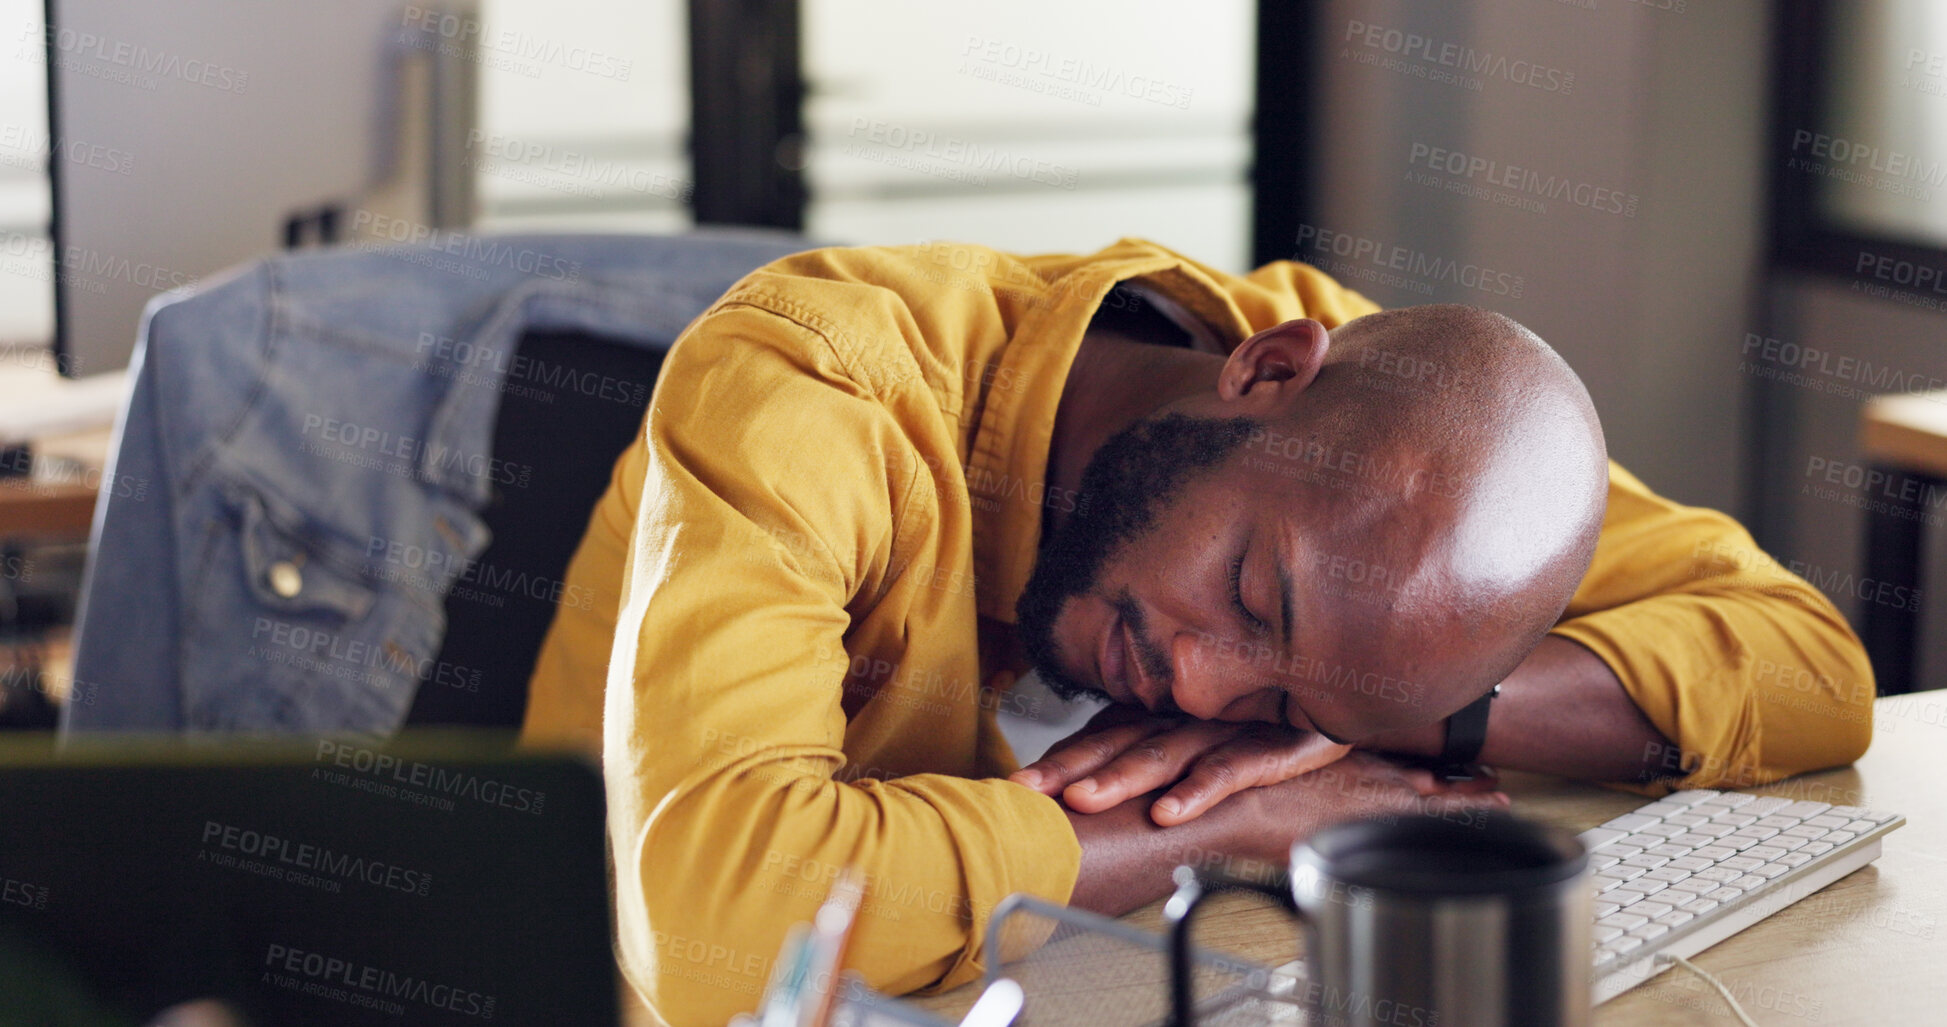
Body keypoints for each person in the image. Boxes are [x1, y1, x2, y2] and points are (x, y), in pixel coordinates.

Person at [516, 238, 1872, 1026]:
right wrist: (1218, 823)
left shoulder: (1410, 454)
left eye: (1284, 701)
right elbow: (717, 938)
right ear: (1266, 374)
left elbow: (1810, 667)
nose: (1207, 691)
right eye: (1251, 596)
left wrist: (1391, 704)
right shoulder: (814, 378)